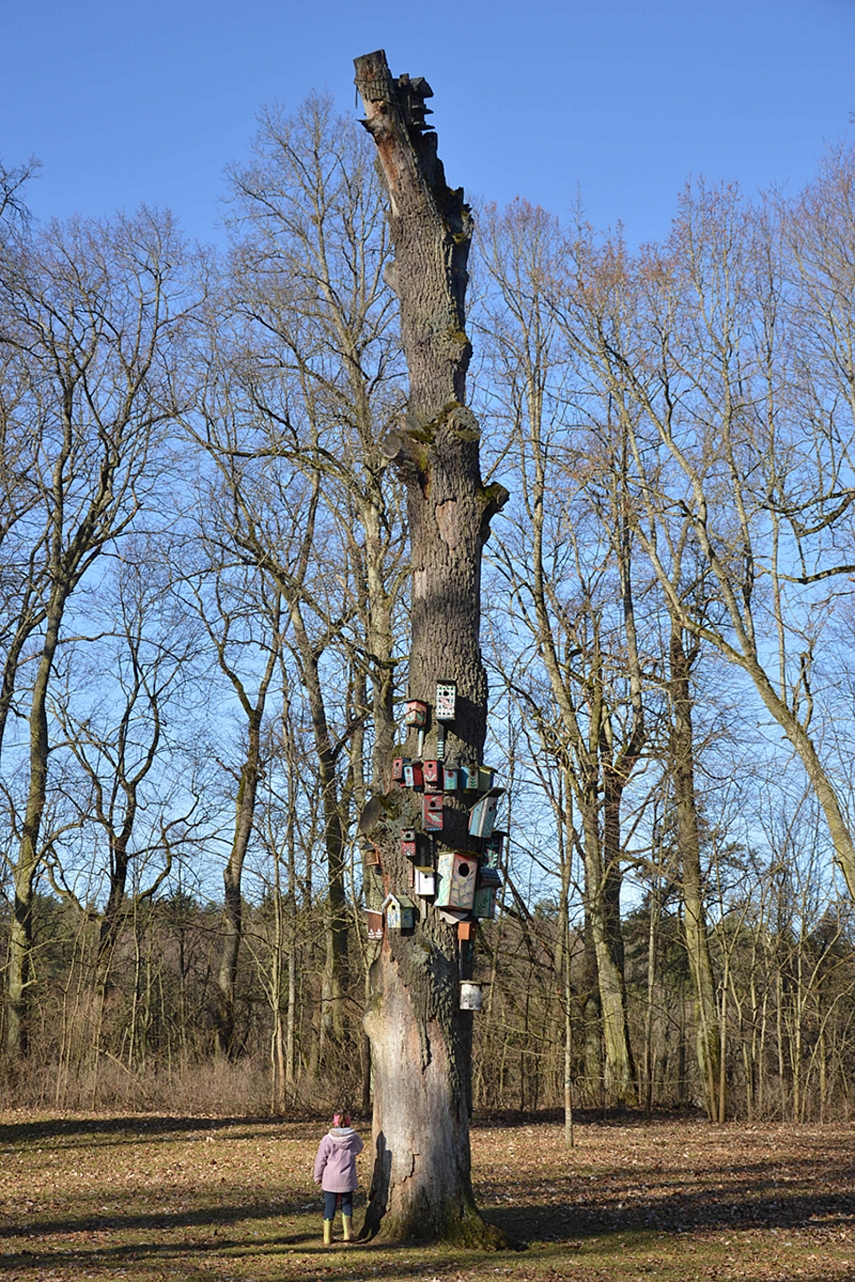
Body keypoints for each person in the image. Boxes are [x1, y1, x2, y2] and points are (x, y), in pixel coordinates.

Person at [312, 1108, 364, 1245]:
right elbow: (360, 1147)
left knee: (330, 1206)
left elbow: (321, 1159)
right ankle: (348, 1234)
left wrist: (317, 1176)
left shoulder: (327, 1139)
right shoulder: (354, 1138)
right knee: (347, 1205)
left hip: (330, 1179)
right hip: (347, 1179)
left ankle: (327, 1237)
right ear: (348, 1121)